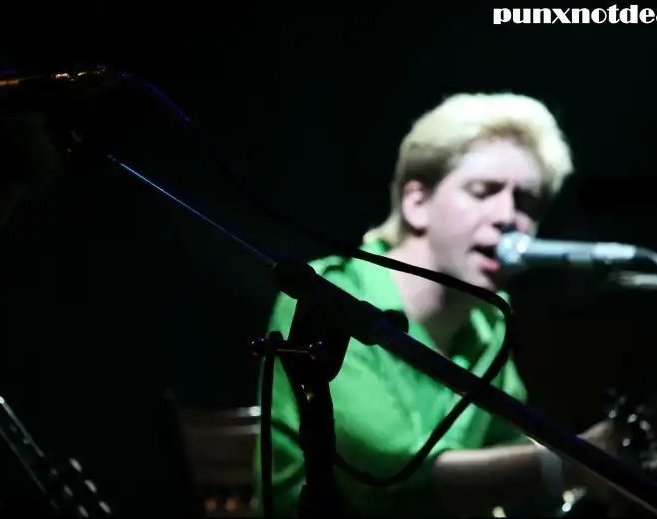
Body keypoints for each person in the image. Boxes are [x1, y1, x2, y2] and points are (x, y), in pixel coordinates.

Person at [257, 92, 620, 517]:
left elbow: (506, 449)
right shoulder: (326, 296)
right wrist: (573, 464)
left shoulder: (490, 320)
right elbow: (392, 482)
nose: (508, 217)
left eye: (527, 202)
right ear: (417, 203)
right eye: (483, 191)